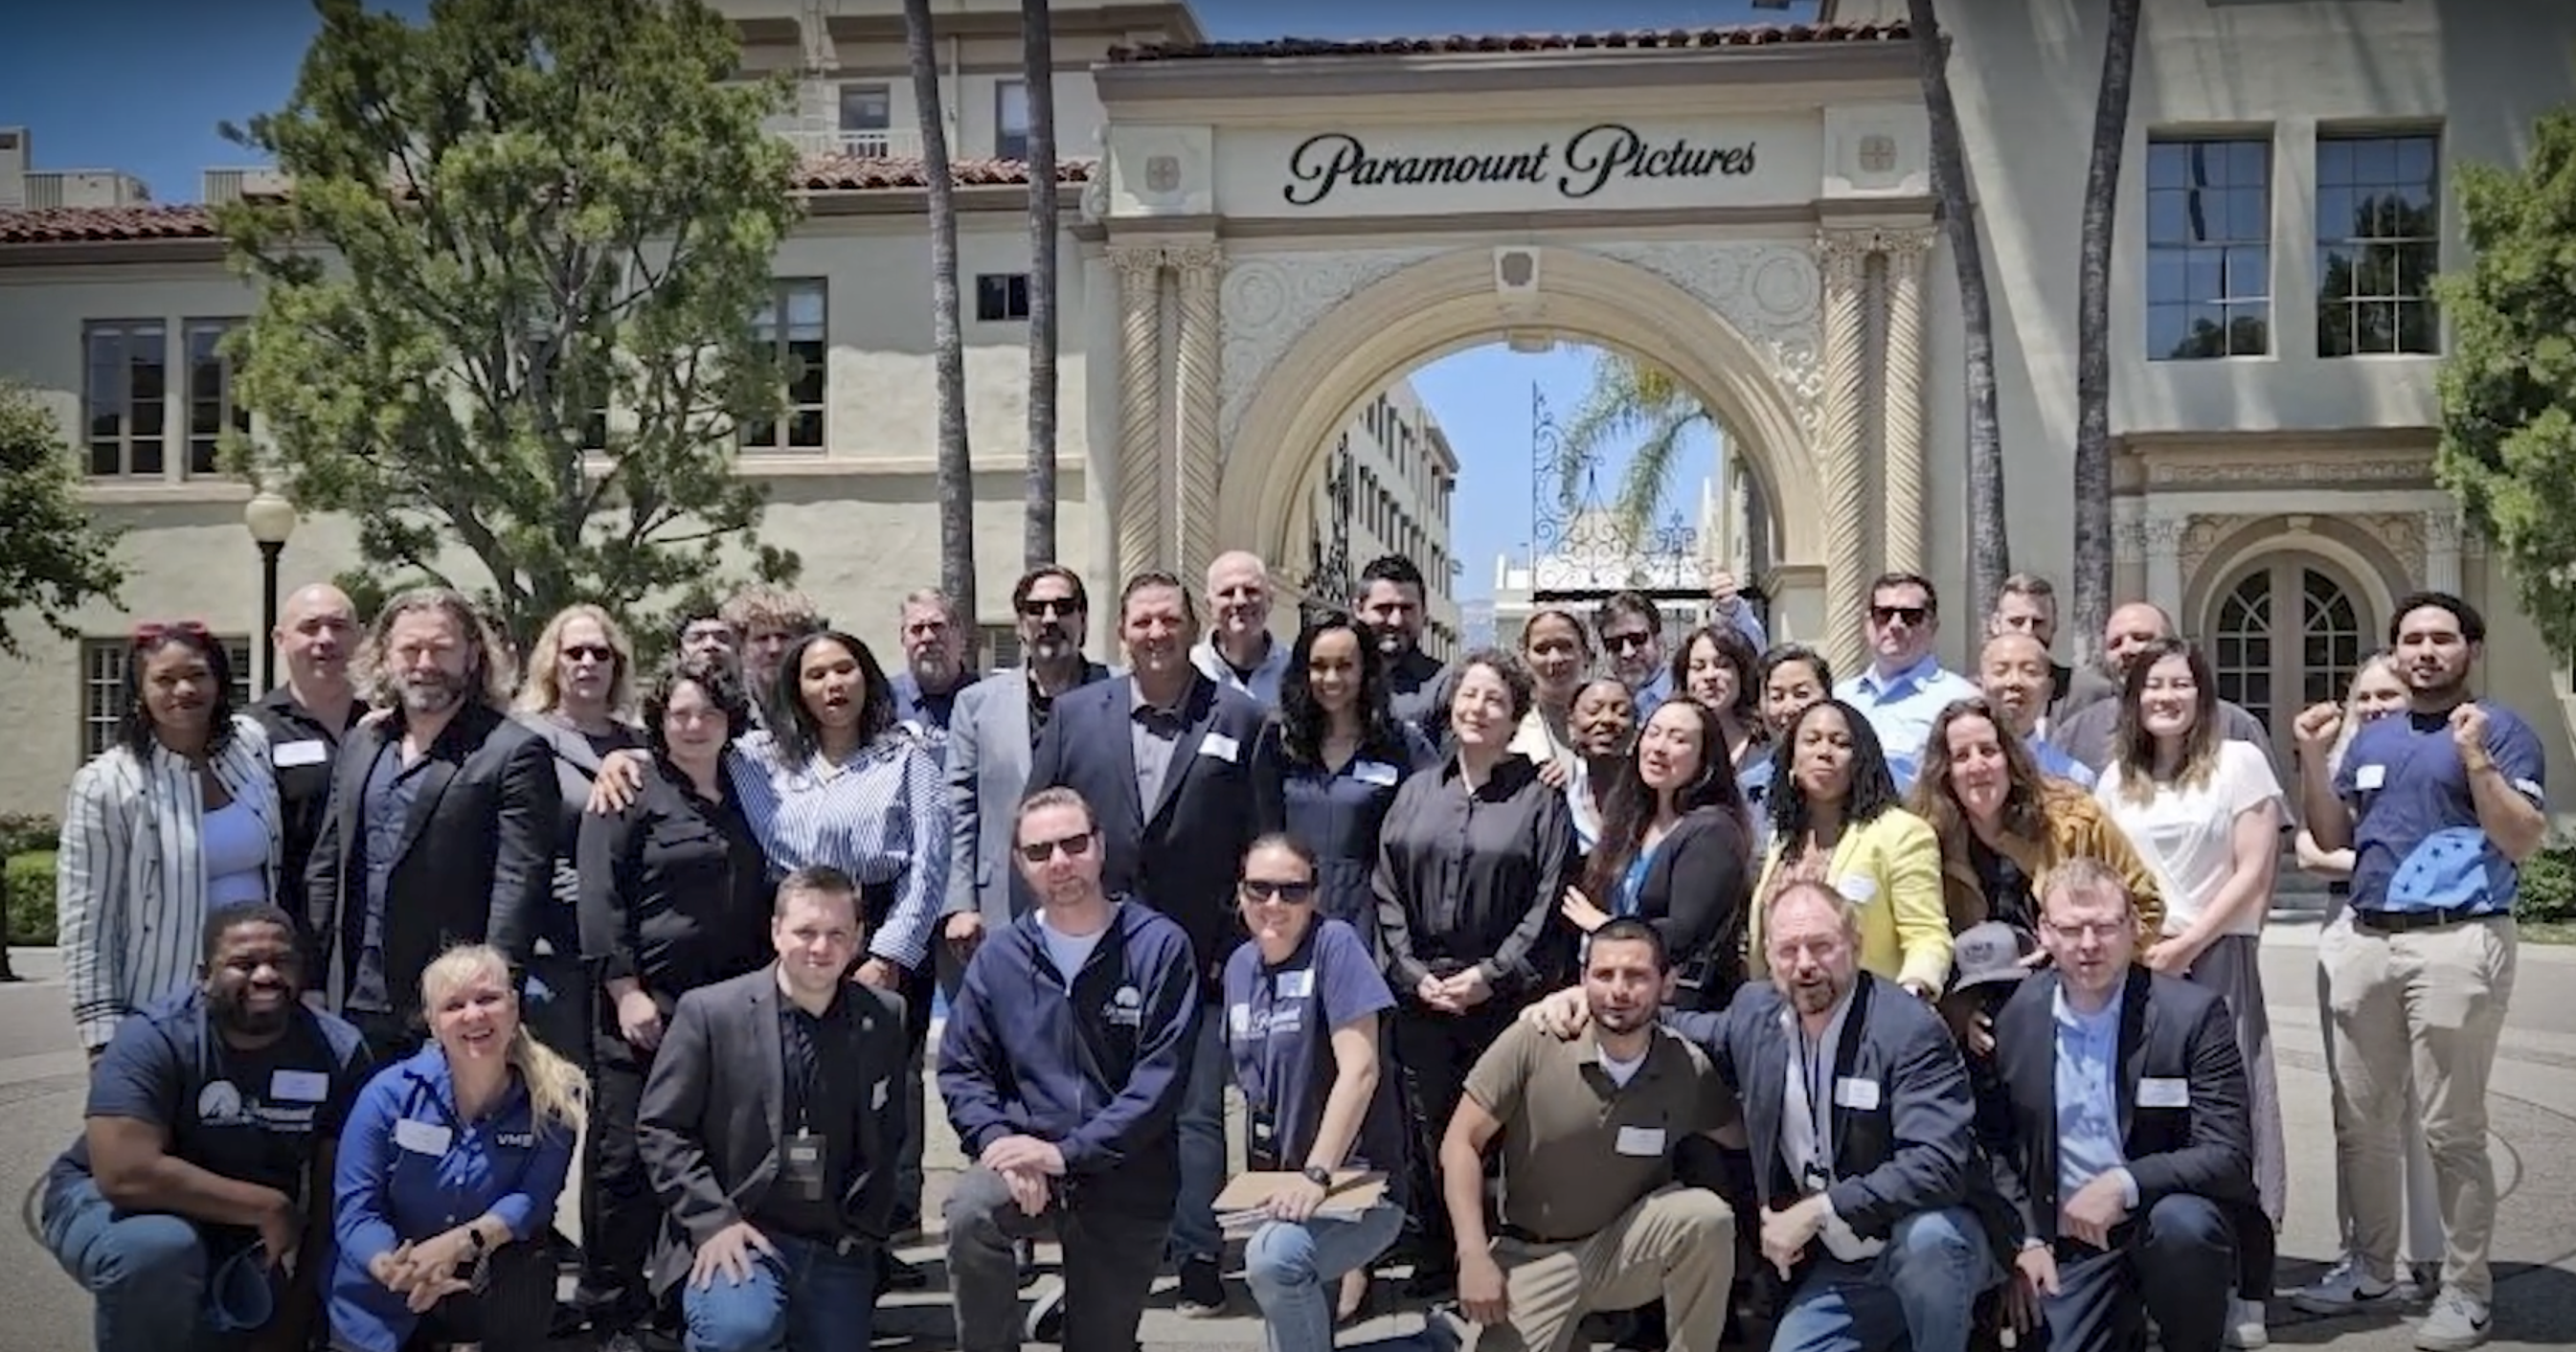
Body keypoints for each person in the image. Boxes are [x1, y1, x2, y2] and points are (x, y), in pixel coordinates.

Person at [1536, 880, 2000, 1352]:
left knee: (1930, 1241)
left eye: (1821, 946)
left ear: (1854, 944)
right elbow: (1679, 1030)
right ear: (1768, 954)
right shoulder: (1755, 1013)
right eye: (1788, 949)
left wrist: (1819, 1209)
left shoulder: (1908, 1029)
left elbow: (1938, 1165)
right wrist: (1588, 1006)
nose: (1804, 965)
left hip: (1918, 1241)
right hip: (1844, 1263)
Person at [2289, 592, 2542, 1351]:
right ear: (2395, 651)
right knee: (2361, 1123)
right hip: (2367, 940)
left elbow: (2523, 838)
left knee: (2451, 1129)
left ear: (2470, 646)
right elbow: (2335, 833)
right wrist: (2309, 756)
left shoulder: (2501, 729)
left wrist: (2476, 760)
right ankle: (2369, 1268)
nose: (2426, 651)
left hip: (2457, 939)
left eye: (2442, 638)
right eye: (2412, 640)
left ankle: (2466, 1291)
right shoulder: (2373, 739)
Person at [1025, 570, 1283, 1313]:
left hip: (1198, 958)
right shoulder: (1075, 717)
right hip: (1089, 952)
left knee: (1198, 1112)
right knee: (1094, 1110)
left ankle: (1199, 1249)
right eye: (1142, 622)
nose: (1156, 634)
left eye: (1170, 620)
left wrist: (1236, 948)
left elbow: (1258, 849)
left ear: (1192, 627)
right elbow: (1038, 827)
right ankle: (1099, 1261)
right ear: (1121, 634)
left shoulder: (1239, 720)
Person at [39, 905, 372, 1352]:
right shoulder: (154, 1037)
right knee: (158, 1252)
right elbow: (124, 1174)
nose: (266, 976)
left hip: (244, 1231)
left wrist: (299, 1309)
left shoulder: (338, 1051)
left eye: (282, 961)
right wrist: (266, 1206)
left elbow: (338, 1193)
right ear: (204, 974)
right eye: (244, 964)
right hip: (115, 1206)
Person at [939, 787, 1201, 1351]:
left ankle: (1080, 1314)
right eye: (1039, 852)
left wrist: (1066, 1153)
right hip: (1025, 1165)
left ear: (1100, 847)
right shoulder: (1000, 957)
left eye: (1074, 844)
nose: (1059, 862)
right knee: (969, 1213)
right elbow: (962, 1069)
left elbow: (1159, 1084)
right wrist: (999, 1144)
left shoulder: (1159, 947)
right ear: (1019, 863)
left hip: (1127, 1171)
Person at [1975, 858, 2259, 1352]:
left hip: (2162, 1217)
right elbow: (1995, 1145)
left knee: (2184, 1228)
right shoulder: (2015, 1016)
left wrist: (2123, 1185)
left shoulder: (2191, 1014)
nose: (2088, 945)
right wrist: (2026, 1239)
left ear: (2133, 928)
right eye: (2070, 928)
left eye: (2105, 927)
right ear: (2044, 932)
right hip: (2070, 1238)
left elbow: (2227, 1152)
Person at [2091, 638, 2289, 1345]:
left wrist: (2188, 943)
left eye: (2179, 685)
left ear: (2202, 695)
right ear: (2134, 699)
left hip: (2214, 956)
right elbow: (2104, 870)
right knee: (2152, 1119)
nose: (2165, 697)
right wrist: (2140, 949)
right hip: (2140, 960)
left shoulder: (2239, 762)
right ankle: (2165, 1281)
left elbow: (2253, 871)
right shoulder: (2117, 779)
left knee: (2233, 1120)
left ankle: (2250, 1289)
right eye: (2152, 687)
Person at [574, 655, 774, 1348]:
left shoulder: (749, 789)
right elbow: (598, 900)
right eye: (679, 713)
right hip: (645, 1013)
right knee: (625, 1160)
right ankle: (609, 1309)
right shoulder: (630, 788)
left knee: (704, 1153)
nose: (693, 725)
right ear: (658, 721)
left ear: (730, 721)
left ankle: (677, 1302)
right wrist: (625, 991)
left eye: (708, 713)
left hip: (725, 1016)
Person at [636, 867, 912, 1352]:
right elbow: (661, 1128)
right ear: (776, 930)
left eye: (836, 934)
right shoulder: (710, 1013)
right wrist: (711, 1221)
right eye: (805, 932)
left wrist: (866, 1226)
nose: (820, 948)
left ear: (858, 940)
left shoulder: (884, 1016)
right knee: (742, 1331)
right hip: (739, 1230)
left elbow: (889, 1130)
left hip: (833, 1243)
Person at [1373, 648, 1577, 1296]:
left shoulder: (1540, 797)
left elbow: (1549, 899)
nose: (1478, 708)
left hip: (1503, 995)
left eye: (1494, 699)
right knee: (1431, 1124)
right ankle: (1441, 1251)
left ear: (1515, 714)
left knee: (1505, 1127)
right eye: (1469, 695)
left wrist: (1493, 973)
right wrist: (1410, 972)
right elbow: (1386, 890)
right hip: (1424, 991)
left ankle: (1506, 1254)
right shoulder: (1415, 792)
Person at [1443, 918, 1739, 1352]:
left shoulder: (1686, 1067)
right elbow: (1460, 1142)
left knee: (1706, 1218)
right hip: (1534, 1257)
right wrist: (1471, 1254)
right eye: (1604, 975)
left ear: (1667, 983)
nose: (1618, 990)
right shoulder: (1534, 1040)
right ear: (1583, 981)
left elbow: (1743, 1134)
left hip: (1623, 1251)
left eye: (1637, 976)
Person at [305, 588, 558, 1062]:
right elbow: (326, 866)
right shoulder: (363, 742)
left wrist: (491, 995)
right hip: (352, 1000)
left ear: (472, 656)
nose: (425, 662)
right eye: (410, 649)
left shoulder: (513, 751)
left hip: (450, 1005)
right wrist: (312, 978)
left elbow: (518, 884)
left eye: (442, 648)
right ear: (385, 656)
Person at [328, 944, 587, 1352]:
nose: (474, 1015)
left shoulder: (552, 1101)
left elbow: (534, 1199)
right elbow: (357, 1210)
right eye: (453, 1005)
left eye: (488, 999)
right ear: (432, 1022)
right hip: (386, 1290)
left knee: (529, 1260)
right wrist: (395, 1267)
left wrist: (458, 1244)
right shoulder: (386, 1095)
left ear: (514, 1006)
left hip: (483, 1281)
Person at [1225, 835, 1426, 1348]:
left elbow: (1360, 1071)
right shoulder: (1239, 968)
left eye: (1292, 891)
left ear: (1314, 896)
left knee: (1274, 1261)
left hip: (1360, 1183)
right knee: (1288, 1312)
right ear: (1240, 893)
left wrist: (1317, 1174)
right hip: (1292, 1186)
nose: (1274, 904)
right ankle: (1425, 1345)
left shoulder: (1335, 946)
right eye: (1260, 889)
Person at [2294, 652, 2444, 1299]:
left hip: (2429, 935)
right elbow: (2309, 849)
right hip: (2349, 931)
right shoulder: (2338, 766)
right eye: (2366, 699)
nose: (2377, 707)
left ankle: (2432, 1256)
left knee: (2431, 1108)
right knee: (2358, 1108)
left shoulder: (2435, 765)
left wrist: (2357, 856)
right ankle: (2364, 1254)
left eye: (2391, 696)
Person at [60, 621, 283, 1055]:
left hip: (257, 999)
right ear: (140, 691)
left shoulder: (250, 747)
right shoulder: (107, 784)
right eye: (164, 679)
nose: (184, 689)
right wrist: (101, 1037)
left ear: (218, 680)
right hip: (159, 1008)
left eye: (197, 674)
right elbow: (87, 919)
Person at [940, 564, 1114, 973]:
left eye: (1063, 607)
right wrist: (961, 903)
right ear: (1020, 625)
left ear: (1083, 621)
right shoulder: (976, 705)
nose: (1050, 619)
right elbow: (959, 810)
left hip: (1098, 898)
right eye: (1036, 610)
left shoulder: (1117, 693)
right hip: (1002, 905)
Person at [1560, 697, 1756, 1011]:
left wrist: (1605, 926)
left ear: (1705, 757)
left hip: (1683, 1010)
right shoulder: (1631, 822)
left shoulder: (1713, 831)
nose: (1659, 747)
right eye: (1653, 734)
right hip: (1622, 1001)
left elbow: (1683, 933)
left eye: (1678, 739)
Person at [1909, 698, 2162, 940]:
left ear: (2010, 758)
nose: (1977, 766)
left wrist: (2079, 954)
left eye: (1988, 751)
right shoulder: (1926, 836)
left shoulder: (2075, 819)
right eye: (1961, 756)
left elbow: (2146, 906)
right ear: (1944, 771)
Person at [1748, 698, 1952, 1000]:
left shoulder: (1901, 833)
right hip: (1779, 1020)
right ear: (1791, 759)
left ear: (1861, 759)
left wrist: (1912, 994)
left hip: (1868, 1017)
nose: (1824, 752)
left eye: (1840, 743)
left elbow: (1927, 935)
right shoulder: (1783, 839)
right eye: (1811, 741)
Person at [513, 602, 645, 1067]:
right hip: (555, 945)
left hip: (634, 945)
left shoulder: (643, 743)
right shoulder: (521, 738)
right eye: (574, 653)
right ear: (553, 661)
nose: (587, 663)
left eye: (600, 653)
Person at [1273, 612, 1437, 936]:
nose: (1331, 678)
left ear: (1366, 671)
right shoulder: (1280, 743)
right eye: (1319, 666)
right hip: (1291, 920)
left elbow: (1446, 805)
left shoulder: (1401, 744)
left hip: (1372, 925)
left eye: (1345, 666)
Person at [250, 584, 363, 914]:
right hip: (288, 921)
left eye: (339, 627)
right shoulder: (251, 732)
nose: (326, 639)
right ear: (279, 639)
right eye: (310, 627)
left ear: (361, 638)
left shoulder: (390, 725)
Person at [2053, 603, 2270, 774]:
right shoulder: (2074, 734)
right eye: (2115, 644)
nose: (2126, 649)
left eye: (2141, 638)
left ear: (2171, 644)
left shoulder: (2235, 726)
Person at [1834, 572, 1980, 792]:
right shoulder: (1840, 698)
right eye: (1884, 614)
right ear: (1868, 624)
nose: (1895, 625)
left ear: (1932, 626)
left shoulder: (1962, 699)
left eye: (1911, 616)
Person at [1980, 632, 2096, 787]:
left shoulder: (2075, 778)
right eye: (2001, 671)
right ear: (1981, 684)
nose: (2015, 681)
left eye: (2030, 671)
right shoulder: (1958, 771)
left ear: (2048, 689)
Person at [1354, 554, 1449, 738]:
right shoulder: (1338, 679)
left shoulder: (1445, 686)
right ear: (1359, 610)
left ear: (1424, 614)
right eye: (1384, 608)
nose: (1396, 621)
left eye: (1406, 609)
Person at [1192, 551, 1295, 708]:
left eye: (1251, 591)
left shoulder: (1295, 668)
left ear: (1270, 599)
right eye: (1227, 593)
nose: (1240, 601)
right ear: (1209, 605)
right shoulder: (1189, 669)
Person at [1986, 573, 2084, 732]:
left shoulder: (2089, 694)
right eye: (2017, 622)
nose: (2028, 632)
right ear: (1996, 624)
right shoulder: (1968, 693)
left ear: (2054, 625)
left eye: (2038, 622)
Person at [1672, 622, 1771, 782]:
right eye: (1698, 667)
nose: (1709, 676)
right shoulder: (1674, 749)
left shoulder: (1767, 748)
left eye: (1723, 665)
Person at [1505, 606, 1593, 779]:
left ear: (1586, 654)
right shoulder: (1508, 731)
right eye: (1542, 649)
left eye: (1565, 647)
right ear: (1525, 659)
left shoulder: (1616, 718)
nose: (1555, 659)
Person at [1753, 643, 1837, 825]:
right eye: (1777, 697)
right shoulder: (1747, 788)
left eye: (1801, 694)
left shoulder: (1854, 776)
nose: (1789, 708)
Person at [718, 584, 824, 725]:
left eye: (784, 637)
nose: (774, 649)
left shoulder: (822, 707)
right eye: (761, 639)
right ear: (742, 648)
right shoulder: (726, 712)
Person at [888, 588, 978, 753]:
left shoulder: (986, 699)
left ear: (960, 635)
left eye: (937, 626)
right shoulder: (883, 701)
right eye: (917, 629)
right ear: (903, 640)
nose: (928, 638)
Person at [1562, 676, 1637, 850]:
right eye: (1594, 711)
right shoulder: (1557, 790)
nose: (1607, 719)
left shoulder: (1654, 794)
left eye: (1622, 712)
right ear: (1571, 726)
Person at [1594, 593, 1676, 717]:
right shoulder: (1601, 708)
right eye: (1615, 644)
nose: (1627, 653)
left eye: (1637, 639)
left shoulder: (1686, 691)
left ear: (1658, 640)